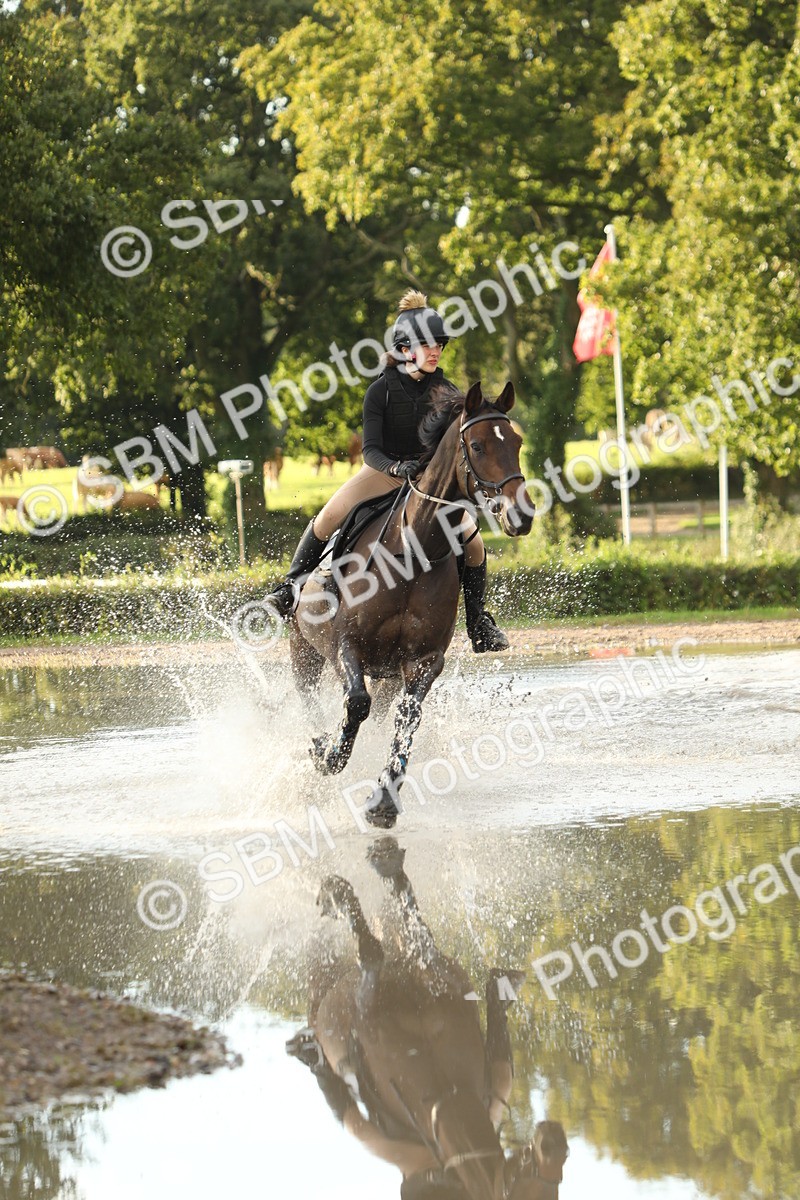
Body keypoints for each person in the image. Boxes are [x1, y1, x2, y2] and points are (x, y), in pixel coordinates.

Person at [264, 289, 508, 653]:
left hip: (427, 484)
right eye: (428, 344)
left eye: (440, 344)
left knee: (473, 542)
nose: (436, 350)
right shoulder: (381, 391)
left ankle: (478, 623)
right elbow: (371, 450)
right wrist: (396, 466)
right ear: (407, 349)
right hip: (385, 472)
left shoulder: (447, 390)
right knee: (330, 514)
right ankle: (290, 588)